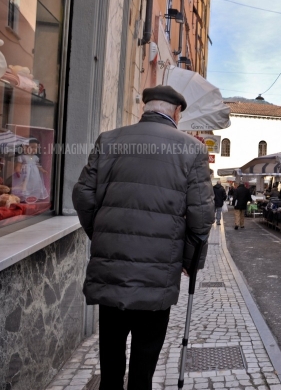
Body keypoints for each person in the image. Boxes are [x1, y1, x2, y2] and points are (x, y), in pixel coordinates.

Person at [72, 85, 215, 390]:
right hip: (157, 272)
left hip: (112, 269)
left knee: (110, 356)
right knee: (144, 363)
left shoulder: (108, 140)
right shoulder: (192, 149)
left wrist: (101, 236)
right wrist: (190, 262)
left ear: (144, 107)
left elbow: (82, 195)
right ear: (177, 112)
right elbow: (202, 217)